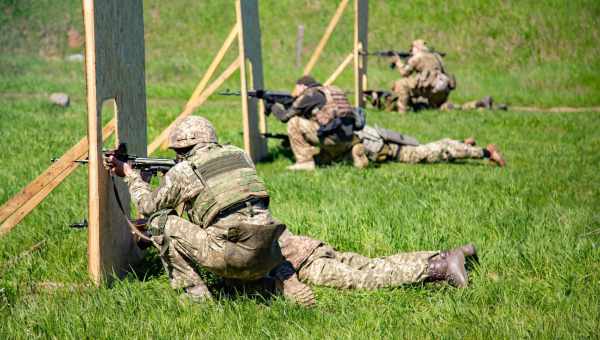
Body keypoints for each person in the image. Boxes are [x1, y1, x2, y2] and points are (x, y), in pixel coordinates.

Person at [105, 116, 315, 305]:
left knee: (160, 223)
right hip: (268, 252)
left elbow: (147, 206)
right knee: (240, 268)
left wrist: (130, 175)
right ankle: (283, 284)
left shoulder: (184, 171)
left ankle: (196, 298)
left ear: (182, 149)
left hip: (231, 255)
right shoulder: (241, 155)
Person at [279, 230, 477, 289]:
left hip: (303, 263)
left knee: (364, 279)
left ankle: (441, 268)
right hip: (310, 246)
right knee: (374, 264)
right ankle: (448, 254)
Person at [270, 75, 368, 171]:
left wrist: (272, 105)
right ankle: (350, 154)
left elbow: (284, 117)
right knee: (321, 161)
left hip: (331, 138)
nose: (296, 93)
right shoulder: (331, 91)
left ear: (303, 86)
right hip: (348, 137)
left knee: (293, 122)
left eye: (297, 89)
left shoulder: (309, 95)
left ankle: (304, 162)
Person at [355, 125, 506, 167]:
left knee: (442, 149)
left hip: (402, 150)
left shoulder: (355, 134)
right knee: (439, 148)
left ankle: (484, 152)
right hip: (400, 150)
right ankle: (468, 145)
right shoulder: (355, 132)